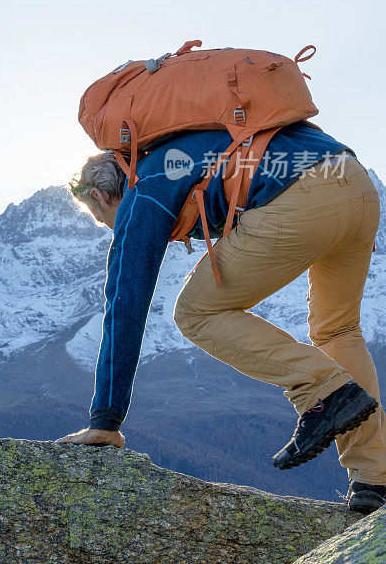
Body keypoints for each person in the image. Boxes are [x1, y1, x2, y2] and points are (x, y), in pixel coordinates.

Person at [54, 119, 386, 514]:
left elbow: (125, 301)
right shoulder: (194, 142)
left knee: (195, 313)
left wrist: (105, 420)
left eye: (101, 219)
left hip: (302, 195)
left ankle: (324, 389)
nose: (111, 228)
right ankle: (374, 480)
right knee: (338, 331)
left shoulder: (143, 186)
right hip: (355, 181)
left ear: (101, 195)